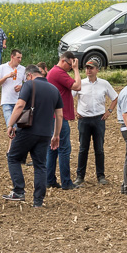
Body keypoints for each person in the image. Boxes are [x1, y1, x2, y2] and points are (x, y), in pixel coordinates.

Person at [2, 65, 63, 207]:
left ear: (29, 75)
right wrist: (56, 135)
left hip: (27, 131)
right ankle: (38, 201)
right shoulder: (54, 89)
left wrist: (10, 124)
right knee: (40, 165)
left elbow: (19, 106)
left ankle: (19, 191)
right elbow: (59, 115)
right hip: (45, 133)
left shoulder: (29, 85)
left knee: (13, 157)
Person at [74, 59, 118, 186]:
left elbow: (115, 97)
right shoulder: (80, 83)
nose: (88, 70)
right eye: (87, 68)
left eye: (91, 68)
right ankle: (80, 176)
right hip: (84, 119)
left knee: (99, 149)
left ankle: (100, 176)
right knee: (83, 149)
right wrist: (74, 111)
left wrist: (109, 111)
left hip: (99, 119)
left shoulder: (104, 84)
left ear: (97, 70)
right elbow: (69, 97)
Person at [46, 51, 82, 190]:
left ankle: (49, 180)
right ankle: (66, 182)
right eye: (70, 64)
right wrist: (76, 69)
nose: (71, 67)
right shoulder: (59, 73)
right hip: (59, 117)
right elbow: (77, 86)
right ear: (63, 61)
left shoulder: (54, 72)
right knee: (64, 149)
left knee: (52, 149)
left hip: (52, 116)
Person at [0, 49, 25, 152]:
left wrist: (21, 86)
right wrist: (7, 76)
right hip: (7, 101)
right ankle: (12, 150)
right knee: (11, 125)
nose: (20, 60)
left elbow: (28, 84)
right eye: (18, 57)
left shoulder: (23, 69)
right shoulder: (2, 68)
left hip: (19, 101)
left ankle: (11, 150)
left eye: (21, 58)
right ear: (12, 57)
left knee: (16, 127)